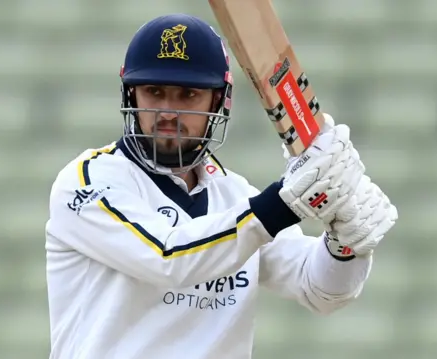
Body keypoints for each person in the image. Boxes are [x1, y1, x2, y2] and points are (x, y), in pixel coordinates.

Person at [45, 13, 398, 359]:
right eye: (154, 91)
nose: (168, 112)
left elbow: (320, 290)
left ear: (217, 101)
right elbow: (169, 258)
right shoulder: (89, 183)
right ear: (131, 95)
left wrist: (345, 241)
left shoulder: (234, 196)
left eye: (187, 94)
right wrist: (281, 205)